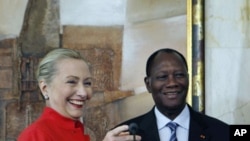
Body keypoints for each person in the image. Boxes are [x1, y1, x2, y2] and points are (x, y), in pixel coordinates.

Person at [17, 48, 141, 141]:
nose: (83, 93)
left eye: (87, 83)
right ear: (45, 88)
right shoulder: (35, 136)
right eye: (71, 82)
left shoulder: (76, 130)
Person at [117, 48, 229, 141]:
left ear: (189, 79)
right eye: (162, 77)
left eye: (179, 75)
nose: (172, 83)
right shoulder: (125, 135)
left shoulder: (222, 132)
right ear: (148, 84)